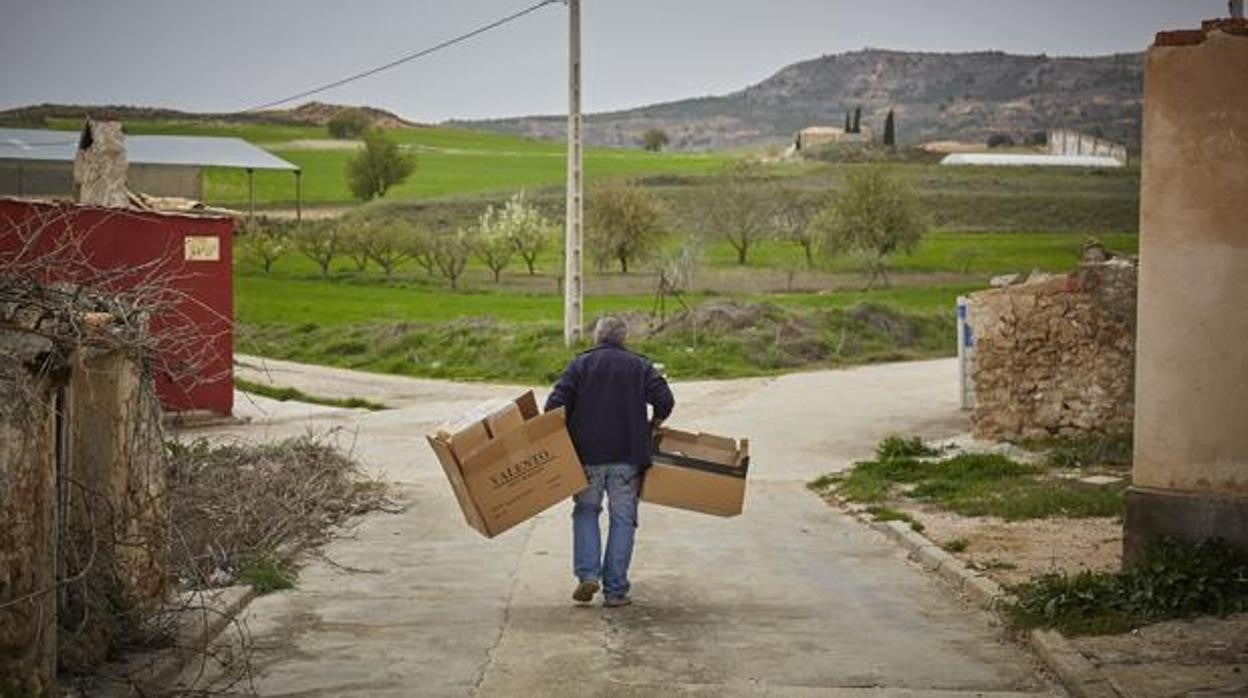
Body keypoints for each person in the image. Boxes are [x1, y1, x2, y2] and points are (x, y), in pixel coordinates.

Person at [545, 316, 674, 607]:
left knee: (586, 511)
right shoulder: (640, 365)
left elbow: (553, 407)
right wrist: (654, 422)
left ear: (597, 337)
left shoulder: (580, 365)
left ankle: (588, 575)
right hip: (627, 458)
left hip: (586, 457)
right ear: (624, 338)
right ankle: (615, 591)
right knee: (623, 520)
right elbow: (665, 400)